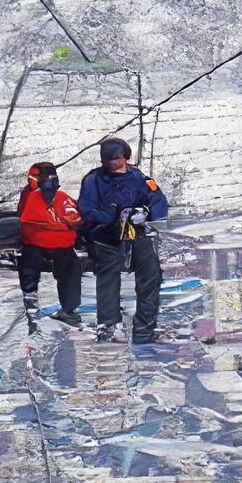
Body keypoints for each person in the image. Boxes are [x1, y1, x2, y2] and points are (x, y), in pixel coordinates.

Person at [78, 136, 169, 346]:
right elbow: (86, 207)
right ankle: (108, 328)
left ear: (126, 157)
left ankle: (144, 330)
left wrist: (146, 215)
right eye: (106, 159)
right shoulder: (92, 180)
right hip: (106, 235)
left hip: (137, 234)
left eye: (116, 158)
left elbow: (157, 201)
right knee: (108, 279)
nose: (111, 162)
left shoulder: (139, 178)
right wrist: (111, 215)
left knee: (150, 277)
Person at [12, 161, 85, 327]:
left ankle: (34, 298)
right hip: (45, 243)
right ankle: (65, 308)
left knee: (36, 262)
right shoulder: (34, 196)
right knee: (64, 266)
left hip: (49, 244)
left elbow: (24, 218)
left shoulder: (46, 197)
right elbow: (75, 219)